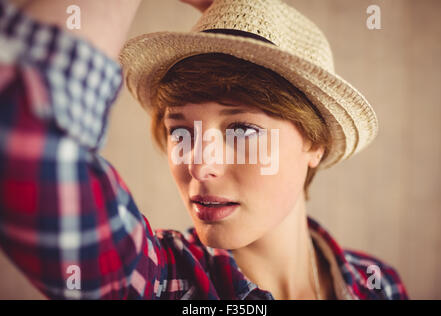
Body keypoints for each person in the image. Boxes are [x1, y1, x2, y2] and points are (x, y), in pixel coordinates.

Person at [0, 0, 409, 300]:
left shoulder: (379, 284)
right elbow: (25, 149)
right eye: (180, 132)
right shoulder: (165, 283)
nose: (199, 164)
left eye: (242, 130)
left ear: (314, 143)